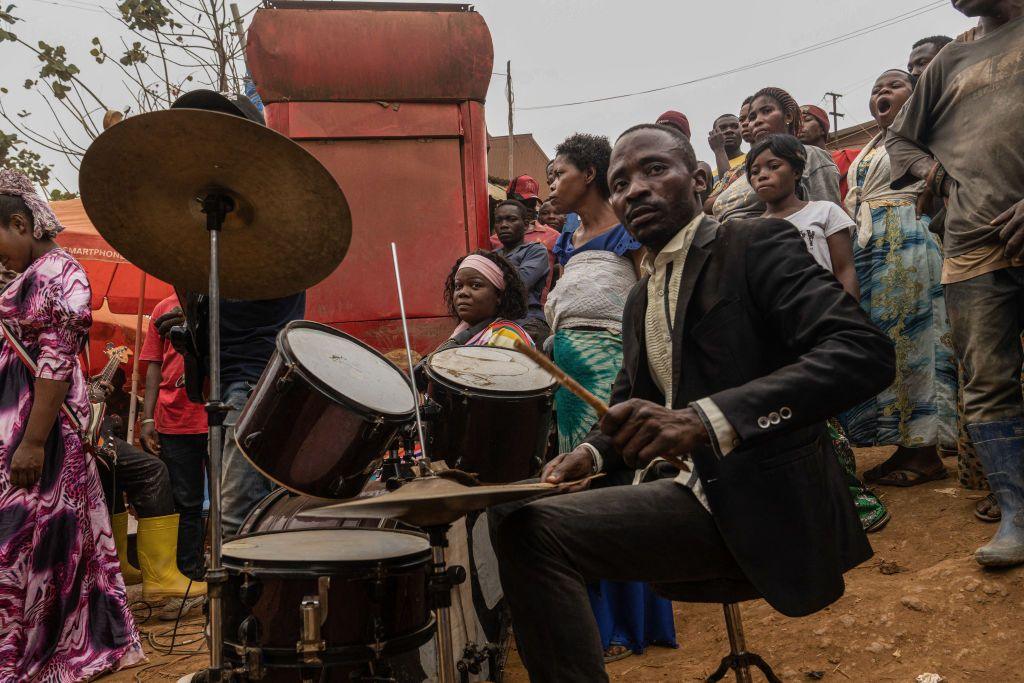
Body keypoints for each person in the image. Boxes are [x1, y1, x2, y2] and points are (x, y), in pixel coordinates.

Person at [488, 123, 895, 682]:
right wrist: (592, 455)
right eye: (621, 182)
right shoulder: (638, 297)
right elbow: (628, 406)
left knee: (530, 533)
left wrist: (708, 419)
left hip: (763, 505)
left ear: (698, 178)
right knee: (515, 515)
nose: (635, 190)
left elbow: (863, 353)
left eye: (655, 169)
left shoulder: (754, 244)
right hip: (683, 496)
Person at [885, 0, 1024, 567]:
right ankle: (1017, 513)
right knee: (987, 382)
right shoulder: (949, 60)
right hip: (972, 244)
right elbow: (900, 142)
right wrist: (935, 175)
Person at [0, 169, 144, 680]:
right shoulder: (33, 275)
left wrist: (32, 442)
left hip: (41, 436)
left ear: (20, 223)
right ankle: (48, 648)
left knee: (25, 545)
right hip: (22, 433)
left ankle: (33, 654)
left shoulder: (61, 275)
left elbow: (56, 364)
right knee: (46, 544)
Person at [545, 133, 674, 663]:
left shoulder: (627, 232)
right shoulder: (564, 239)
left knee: (618, 475)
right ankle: (594, 621)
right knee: (578, 487)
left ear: (590, 175)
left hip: (613, 366)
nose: (553, 184)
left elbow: (646, 297)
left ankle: (626, 624)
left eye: (559, 173)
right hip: (567, 371)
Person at [162, 89, 306, 538]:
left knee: (234, 515)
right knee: (242, 514)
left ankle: (251, 606)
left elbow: (248, 314)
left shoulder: (265, 231)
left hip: (255, 383)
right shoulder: (214, 233)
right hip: (229, 385)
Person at [747, 133, 889, 532]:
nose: (763, 176)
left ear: (797, 168)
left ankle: (851, 498)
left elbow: (844, 269)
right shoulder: (750, 231)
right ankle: (814, 501)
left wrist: (847, 318)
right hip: (777, 333)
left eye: (773, 166)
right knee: (796, 415)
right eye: (755, 171)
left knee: (824, 412)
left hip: (821, 322)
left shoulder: (824, 212)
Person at [837, 69, 956, 490]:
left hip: (909, 243)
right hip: (872, 251)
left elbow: (945, 175)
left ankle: (926, 451)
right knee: (890, 345)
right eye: (875, 89)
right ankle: (905, 445)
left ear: (916, 93)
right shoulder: (873, 143)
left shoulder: (927, 129)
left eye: (893, 85)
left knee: (919, 340)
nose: (881, 92)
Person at [140, 293, 209, 617]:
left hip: (219, 414)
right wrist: (147, 417)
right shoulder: (162, 308)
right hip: (175, 419)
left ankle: (230, 580)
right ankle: (190, 581)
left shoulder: (221, 301)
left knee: (228, 501)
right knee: (186, 504)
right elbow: (153, 366)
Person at [708, 86, 841, 222]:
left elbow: (829, 218)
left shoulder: (810, 155)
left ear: (788, 116)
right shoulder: (748, 169)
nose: (757, 121)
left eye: (766, 111)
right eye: (752, 117)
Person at [438, 250, 533, 351]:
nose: (462, 292)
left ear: (499, 295)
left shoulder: (506, 337)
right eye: (458, 286)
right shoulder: (462, 334)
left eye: (476, 285)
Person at [492, 200, 552, 347]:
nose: (504, 225)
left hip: (528, 320)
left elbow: (520, 283)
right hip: (496, 320)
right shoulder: (492, 255)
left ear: (525, 225)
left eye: (511, 219)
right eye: (499, 221)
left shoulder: (536, 251)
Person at [799, 104, 859, 202]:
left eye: (807, 120)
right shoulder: (791, 165)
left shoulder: (850, 157)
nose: (800, 125)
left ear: (822, 129)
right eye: (797, 122)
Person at [708, 113, 746, 179]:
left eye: (735, 126)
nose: (729, 130)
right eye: (722, 128)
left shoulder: (752, 159)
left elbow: (728, 184)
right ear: (713, 134)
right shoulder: (711, 176)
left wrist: (719, 149)